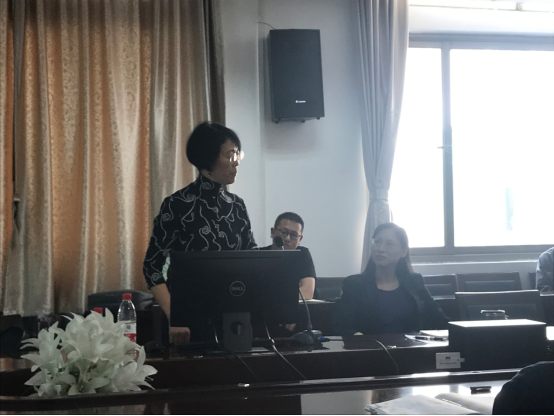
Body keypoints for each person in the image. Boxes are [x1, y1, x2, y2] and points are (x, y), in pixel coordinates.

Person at [143, 122, 257, 344]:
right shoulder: (177, 204)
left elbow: (250, 257)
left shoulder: (237, 205)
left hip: (234, 317)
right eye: (230, 155)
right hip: (187, 321)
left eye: (238, 155)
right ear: (208, 159)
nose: (236, 162)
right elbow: (151, 267)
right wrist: (175, 317)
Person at [335, 222, 448, 336]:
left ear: (403, 252)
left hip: (411, 346)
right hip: (371, 346)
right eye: (377, 242)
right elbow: (341, 326)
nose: (380, 249)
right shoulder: (354, 284)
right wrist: (359, 338)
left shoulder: (414, 281)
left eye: (389, 244)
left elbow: (439, 319)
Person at [259, 212, 316, 300]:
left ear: (300, 239)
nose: (287, 238)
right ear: (272, 232)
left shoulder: (302, 254)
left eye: (294, 235)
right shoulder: (258, 255)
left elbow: (307, 292)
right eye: (283, 232)